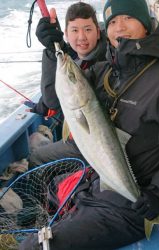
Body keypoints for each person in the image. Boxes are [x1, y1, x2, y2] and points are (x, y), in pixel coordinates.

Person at [19, 0, 159, 249]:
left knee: (35, 246)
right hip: (97, 185)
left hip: (129, 209)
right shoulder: (104, 72)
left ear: (147, 24)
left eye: (128, 18)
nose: (119, 27)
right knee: (48, 185)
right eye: (112, 21)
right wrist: (51, 50)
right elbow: (56, 98)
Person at [27, 2, 107, 167]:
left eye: (88, 29)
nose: (82, 37)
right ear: (66, 35)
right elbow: (52, 101)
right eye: (75, 30)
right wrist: (52, 50)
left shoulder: (108, 58)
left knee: (35, 157)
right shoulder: (71, 59)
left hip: (95, 142)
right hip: (78, 135)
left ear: (98, 33)